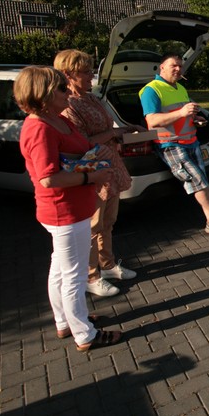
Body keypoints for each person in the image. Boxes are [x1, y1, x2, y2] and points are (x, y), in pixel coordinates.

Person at [14, 65, 123, 352]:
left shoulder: (57, 119)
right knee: (74, 275)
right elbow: (48, 178)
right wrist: (91, 177)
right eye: (62, 88)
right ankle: (84, 333)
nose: (67, 93)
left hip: (74, 209)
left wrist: (96, 154)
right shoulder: (39, 128)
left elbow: (79, 148)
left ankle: (65, 321)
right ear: (44, 94)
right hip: (64, 212)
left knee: (61, 270)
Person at [54, 49, 139, 297]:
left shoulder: (90, 98)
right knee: (92, 226)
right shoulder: (67, 105)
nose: (91, 75)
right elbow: (81, 142)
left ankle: (108, 265)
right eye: (85, 71)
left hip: (108, 168)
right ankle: (91, 276)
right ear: (68, 74)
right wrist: (113, 133)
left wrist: (124, 131)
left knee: (108, 222)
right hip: (91, 172)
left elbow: (105, 128)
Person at [139, 53, 209, 237]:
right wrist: (182, 112)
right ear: (162, 67)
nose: (178, 69)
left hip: (191, 141)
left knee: (201, 181)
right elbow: (152, 121)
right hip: (170, 143)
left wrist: (196, 119)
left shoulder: (180, 88)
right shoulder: (151, 90)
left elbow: (185, 115)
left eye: (180, 65)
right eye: (174, 65)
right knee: (197, 181)